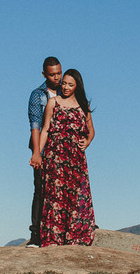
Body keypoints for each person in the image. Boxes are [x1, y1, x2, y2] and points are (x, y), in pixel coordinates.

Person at [37, 68, 95, 246]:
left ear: (77, 86)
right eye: (64, 83)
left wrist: (87, 142)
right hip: (55, 157)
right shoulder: (53, 103)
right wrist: (37, 154)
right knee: (55, 197)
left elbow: (91, 131)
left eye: (71, 84)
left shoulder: (83, 106)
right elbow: (45, 129)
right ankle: (53, 238)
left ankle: (74, 237)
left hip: (76, 160)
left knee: (76, 197)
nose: (66, 87)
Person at [27, 56, 63, 246]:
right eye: (52, 74)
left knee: (67, 187)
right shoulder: (37, 95)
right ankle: (36, 235)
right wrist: (37, 152)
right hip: (43, 146)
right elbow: (35, 125)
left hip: (64, 149)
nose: (57, 78)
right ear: (44, 74)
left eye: (59, 73)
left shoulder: (67, 91)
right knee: (40, 189)